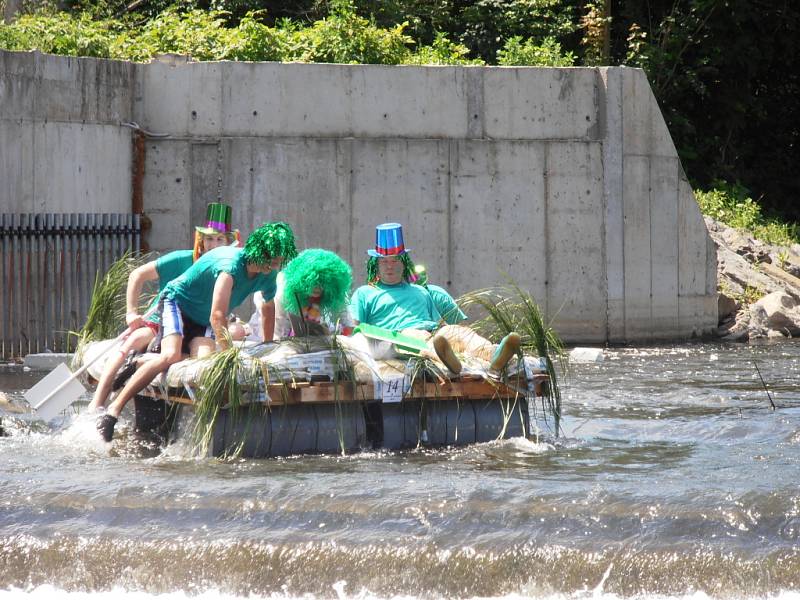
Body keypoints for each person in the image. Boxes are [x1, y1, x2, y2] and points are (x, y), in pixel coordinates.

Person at [96, 221, 298, 442]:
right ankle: (112, 411)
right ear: (259, 254)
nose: (274, 268)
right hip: (177, 303)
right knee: (170, 356)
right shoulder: (230, 268)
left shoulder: (268, 276)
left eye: (278, 263)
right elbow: (217, 316)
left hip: (201, 319)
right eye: (271, 262)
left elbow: (268, 309)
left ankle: (140, 363)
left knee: (204, 362)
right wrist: (229, 355)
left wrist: (267, 346)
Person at [87, 202, 238, 413]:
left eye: (219, 239)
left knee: (205, 356)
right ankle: (97, 403)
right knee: (134, 340)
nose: (213, 245)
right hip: (162, 321)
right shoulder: (181, 259)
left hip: (197, 326)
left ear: (228, 244)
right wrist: (132, 312)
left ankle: (142, 364)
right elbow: (137, 275)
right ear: (201, 241)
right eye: (209, 239)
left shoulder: (229, 269)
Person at [349, 223, 520, 375]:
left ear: (404, 263)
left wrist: (449, 334)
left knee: (458, 332)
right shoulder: (365, 293)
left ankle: (494, 354)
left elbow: (439, 324)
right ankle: (451, 364)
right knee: (418, 338)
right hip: (396, 338)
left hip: (431, 333)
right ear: (376, 265)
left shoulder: (420, 291)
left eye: (395, 261)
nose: (389, 266)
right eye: (384, 261)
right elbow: (354, 329)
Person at [249, 248, 354, 340]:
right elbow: (276, 327)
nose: (317, 288)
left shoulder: (335, 292)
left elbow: (347, 322)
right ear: (302, 280)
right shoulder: (282, 288)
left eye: (322, 284)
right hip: (270, 323)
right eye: (313, 283)